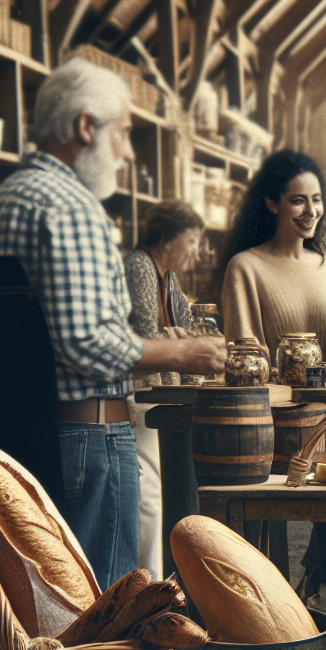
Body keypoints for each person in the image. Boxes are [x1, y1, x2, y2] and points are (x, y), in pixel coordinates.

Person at [0, 58, 224, 589]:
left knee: (38, 601)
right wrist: (183, 353)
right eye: (125, 133)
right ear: (86, 127)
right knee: (100, 603)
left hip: (16, 428)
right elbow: (86, 340)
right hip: (84, 435)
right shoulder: (72, 207)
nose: (129, 152)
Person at [220, 151, 326, 630]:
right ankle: (271, 608)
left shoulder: (324, 265)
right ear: (272, 203)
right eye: (298, 201)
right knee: (267, 523)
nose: (310, 211)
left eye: (316, 201)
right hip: (269, 415)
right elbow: (244, 352)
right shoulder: (246, 266)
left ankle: (324, 578)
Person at [124, 201, 205, 579]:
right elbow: (145, 333)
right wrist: (182, 346)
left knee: (163, 492)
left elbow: (185, 327)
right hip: (136, 396)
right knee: (150, 496)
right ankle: (152, 582)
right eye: (191, 241)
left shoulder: (168, 276)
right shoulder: (139, 266)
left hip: (159, 396)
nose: (196, 250)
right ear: (167, 240)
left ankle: (167, 577)